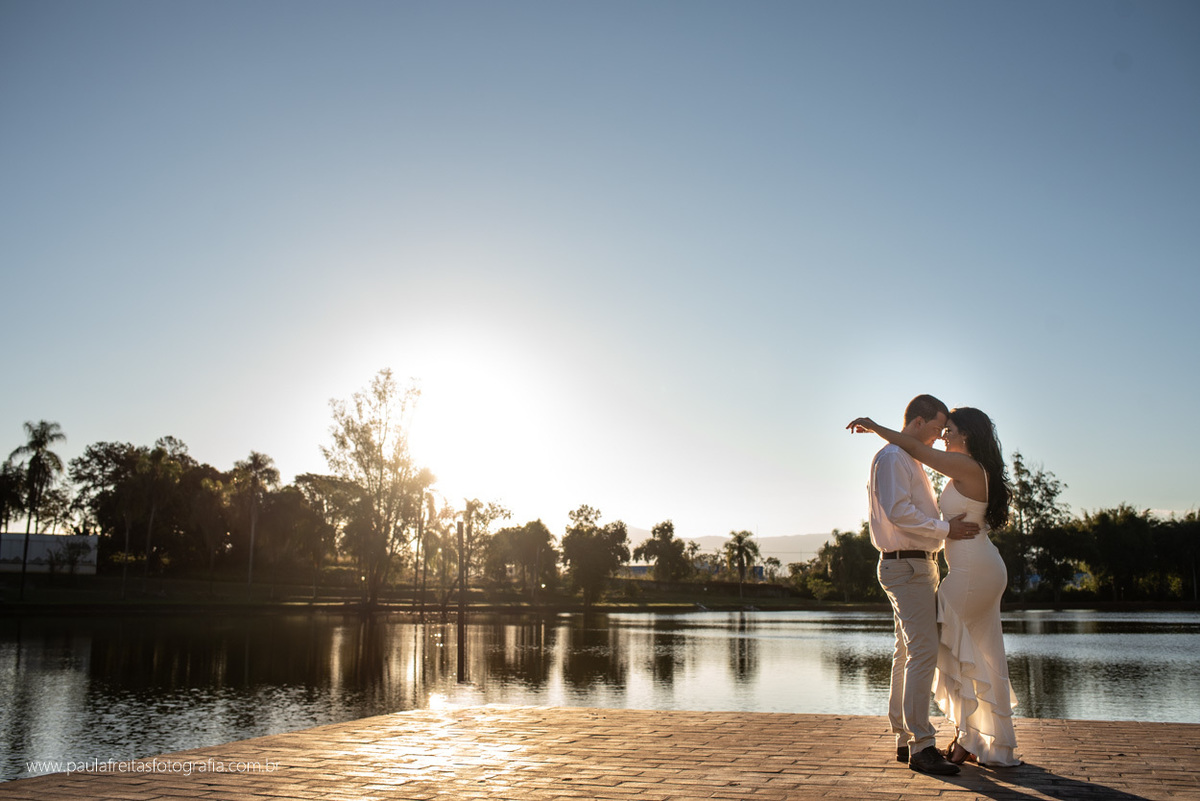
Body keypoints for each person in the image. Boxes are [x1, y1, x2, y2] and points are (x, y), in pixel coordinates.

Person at [848, 405, 1022, 768]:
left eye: (949, 429)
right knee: (963, 654)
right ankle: (958, 741)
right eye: (941, 428)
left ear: (967, 436)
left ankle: (943, 741)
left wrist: (874, 426)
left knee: (946, 653)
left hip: (971, 571)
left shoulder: (966, 466)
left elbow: (916, 449)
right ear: (920, 420)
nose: (943, 435)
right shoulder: (961, 466)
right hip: (970, 568)